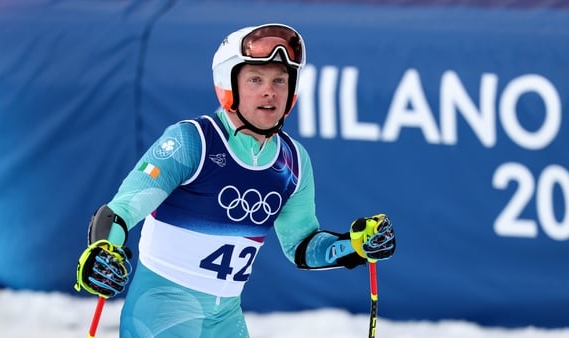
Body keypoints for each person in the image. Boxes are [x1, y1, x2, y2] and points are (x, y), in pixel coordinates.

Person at [74, 23, 396, 337]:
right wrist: (103, 248)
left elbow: (301, 246)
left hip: (225, 317)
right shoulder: (192, 141)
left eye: (280, 80)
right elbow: (122, 210)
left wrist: (354, 246)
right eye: (255, 79)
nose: (269, 91)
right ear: (229, 85)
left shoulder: (293, 162)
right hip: (161, 313)